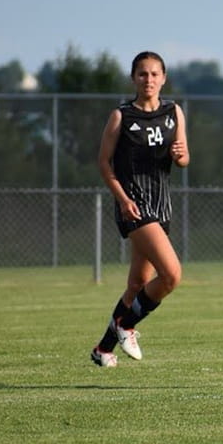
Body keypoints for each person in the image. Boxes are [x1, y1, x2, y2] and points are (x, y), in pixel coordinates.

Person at [90, 51, 190, 366]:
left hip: (162, 206)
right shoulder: (122, 116)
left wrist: (181, 155)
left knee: (136, 285)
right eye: (142, 74)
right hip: (134, 206)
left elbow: (184, 158)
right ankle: (126, 324)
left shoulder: (174, 112)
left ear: (164, 78)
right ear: (134, 78)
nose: (149, 80)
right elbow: (104, 163)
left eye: (154, 74)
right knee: (171, 275)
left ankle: (103, 349)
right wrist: (122, 199)